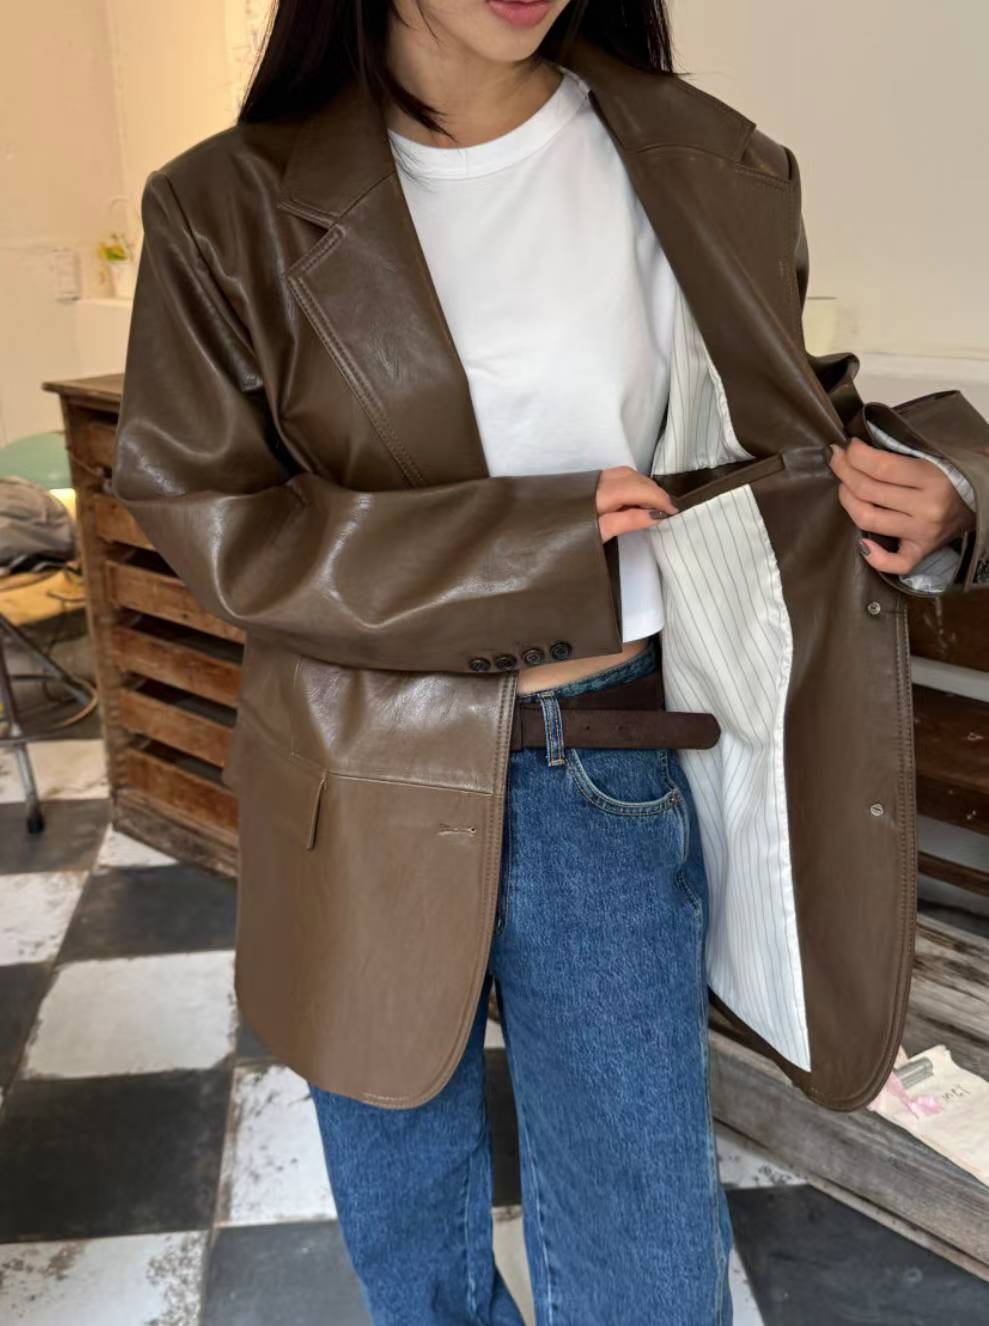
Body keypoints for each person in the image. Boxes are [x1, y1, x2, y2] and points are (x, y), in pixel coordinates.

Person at [112, 1, 984, 1321]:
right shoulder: (224, 204)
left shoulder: (703, 157)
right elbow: (211, 514)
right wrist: (532, 549)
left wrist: (946, 485)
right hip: (357, 776)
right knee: (412, 1242)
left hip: (610, 762)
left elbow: (782, 415)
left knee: (647, 1252)